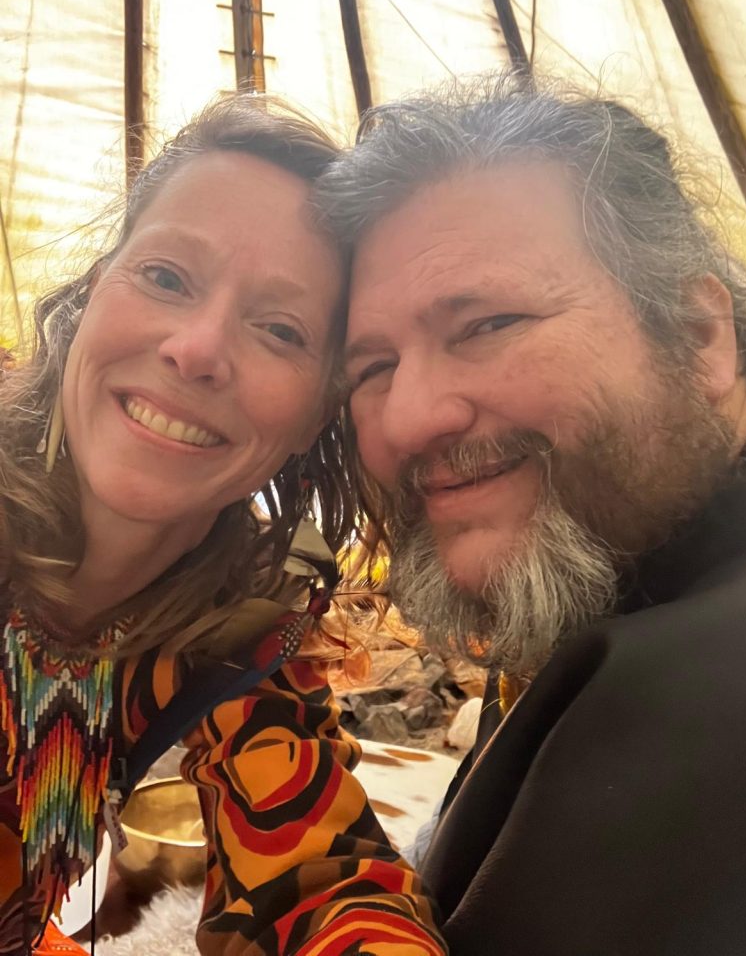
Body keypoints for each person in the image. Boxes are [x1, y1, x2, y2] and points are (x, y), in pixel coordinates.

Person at [316, 74, 746, 954]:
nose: (408, 419)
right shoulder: (635, 564)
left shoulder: (715, 692)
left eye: (487, 324)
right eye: (371, 369)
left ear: (698, 333)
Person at [0, 95, 446, 956]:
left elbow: (321, 884)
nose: (197, 349)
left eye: (279, 329)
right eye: (166, 278)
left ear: (320, 413)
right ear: (93, 293)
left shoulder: (240, 633)